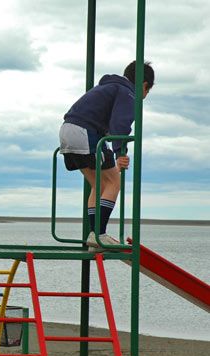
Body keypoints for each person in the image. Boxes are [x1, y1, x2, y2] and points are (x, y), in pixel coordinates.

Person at [59, 60, 155, 251]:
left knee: (99, 184)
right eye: (147, 91)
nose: (144, 95)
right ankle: (99, 234)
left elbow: (109, 125)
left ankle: (94, 235)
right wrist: (121, 153)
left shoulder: (109, 88)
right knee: (114, 183)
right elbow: (120, 125)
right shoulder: (128, 93)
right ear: (144, 85)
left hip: (67, 131)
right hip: (85, 133)